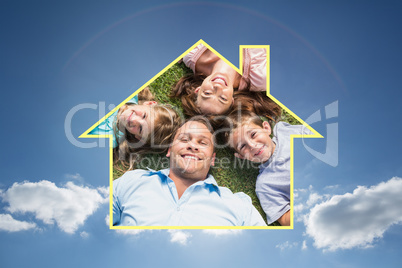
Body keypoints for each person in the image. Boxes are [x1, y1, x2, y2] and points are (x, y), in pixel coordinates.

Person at [112, 117, 267, 226]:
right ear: (169, 150)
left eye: (203, 143)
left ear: (212, 159)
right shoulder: (132, 181)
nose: (193, 146)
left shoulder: (239, 206)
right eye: (184, 140)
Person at [224, 92, 312, 226]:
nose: (252, 145)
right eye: (243, 146)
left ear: (266, 128)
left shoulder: (284, 131)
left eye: (253, 134)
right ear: (241, 156)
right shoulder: (265, 185)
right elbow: (285, 219)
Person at [89, 87, 181, 165]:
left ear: (138, 137)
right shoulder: (130, 89)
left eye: (140, 128)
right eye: (144, 116)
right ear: (149, 104)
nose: (133, 120)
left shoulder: (109, 139)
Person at [171, 43, 267, 117]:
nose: (217, 87)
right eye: (223, 98)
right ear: (231, 101)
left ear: (198, 90)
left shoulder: (192, 55)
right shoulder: (260, 78)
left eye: (207, 93)